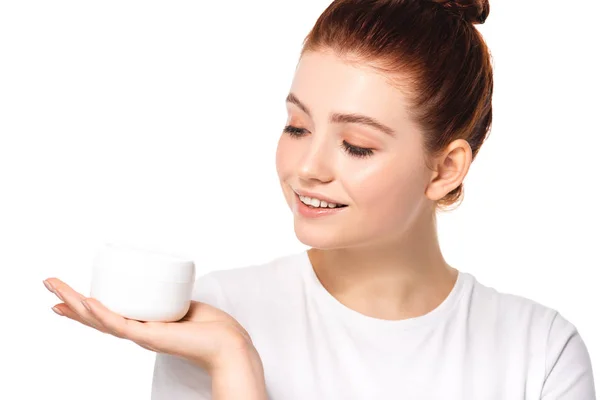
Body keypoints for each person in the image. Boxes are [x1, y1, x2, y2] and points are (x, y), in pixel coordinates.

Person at [43, 0, 596, 399]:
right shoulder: (217, 321)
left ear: (445, 169)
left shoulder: (539, 352)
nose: (306, 168)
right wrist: (235, 366)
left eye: (356, 146)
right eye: (297, 127)